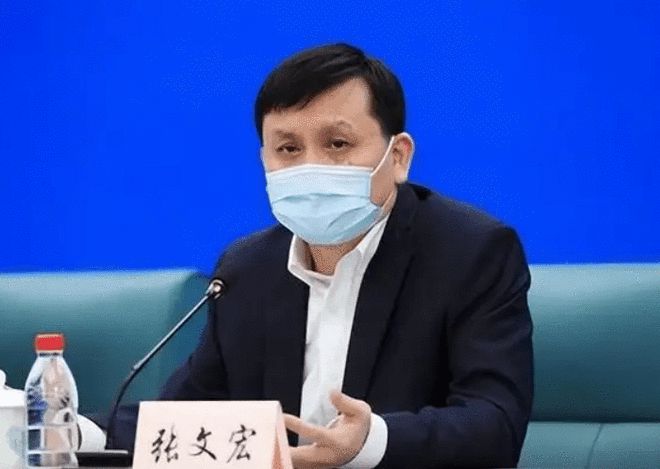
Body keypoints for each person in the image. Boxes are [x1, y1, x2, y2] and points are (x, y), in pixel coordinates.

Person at [102, 43, 534, 468]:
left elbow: (494, 426)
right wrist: (78, 431)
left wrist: (370, 441)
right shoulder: (246, 269)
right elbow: (185, 422)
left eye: (338, 144)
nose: (311, 167)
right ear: (264, 158)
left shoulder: (471, 253)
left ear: (398, 157)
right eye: (288, 149)